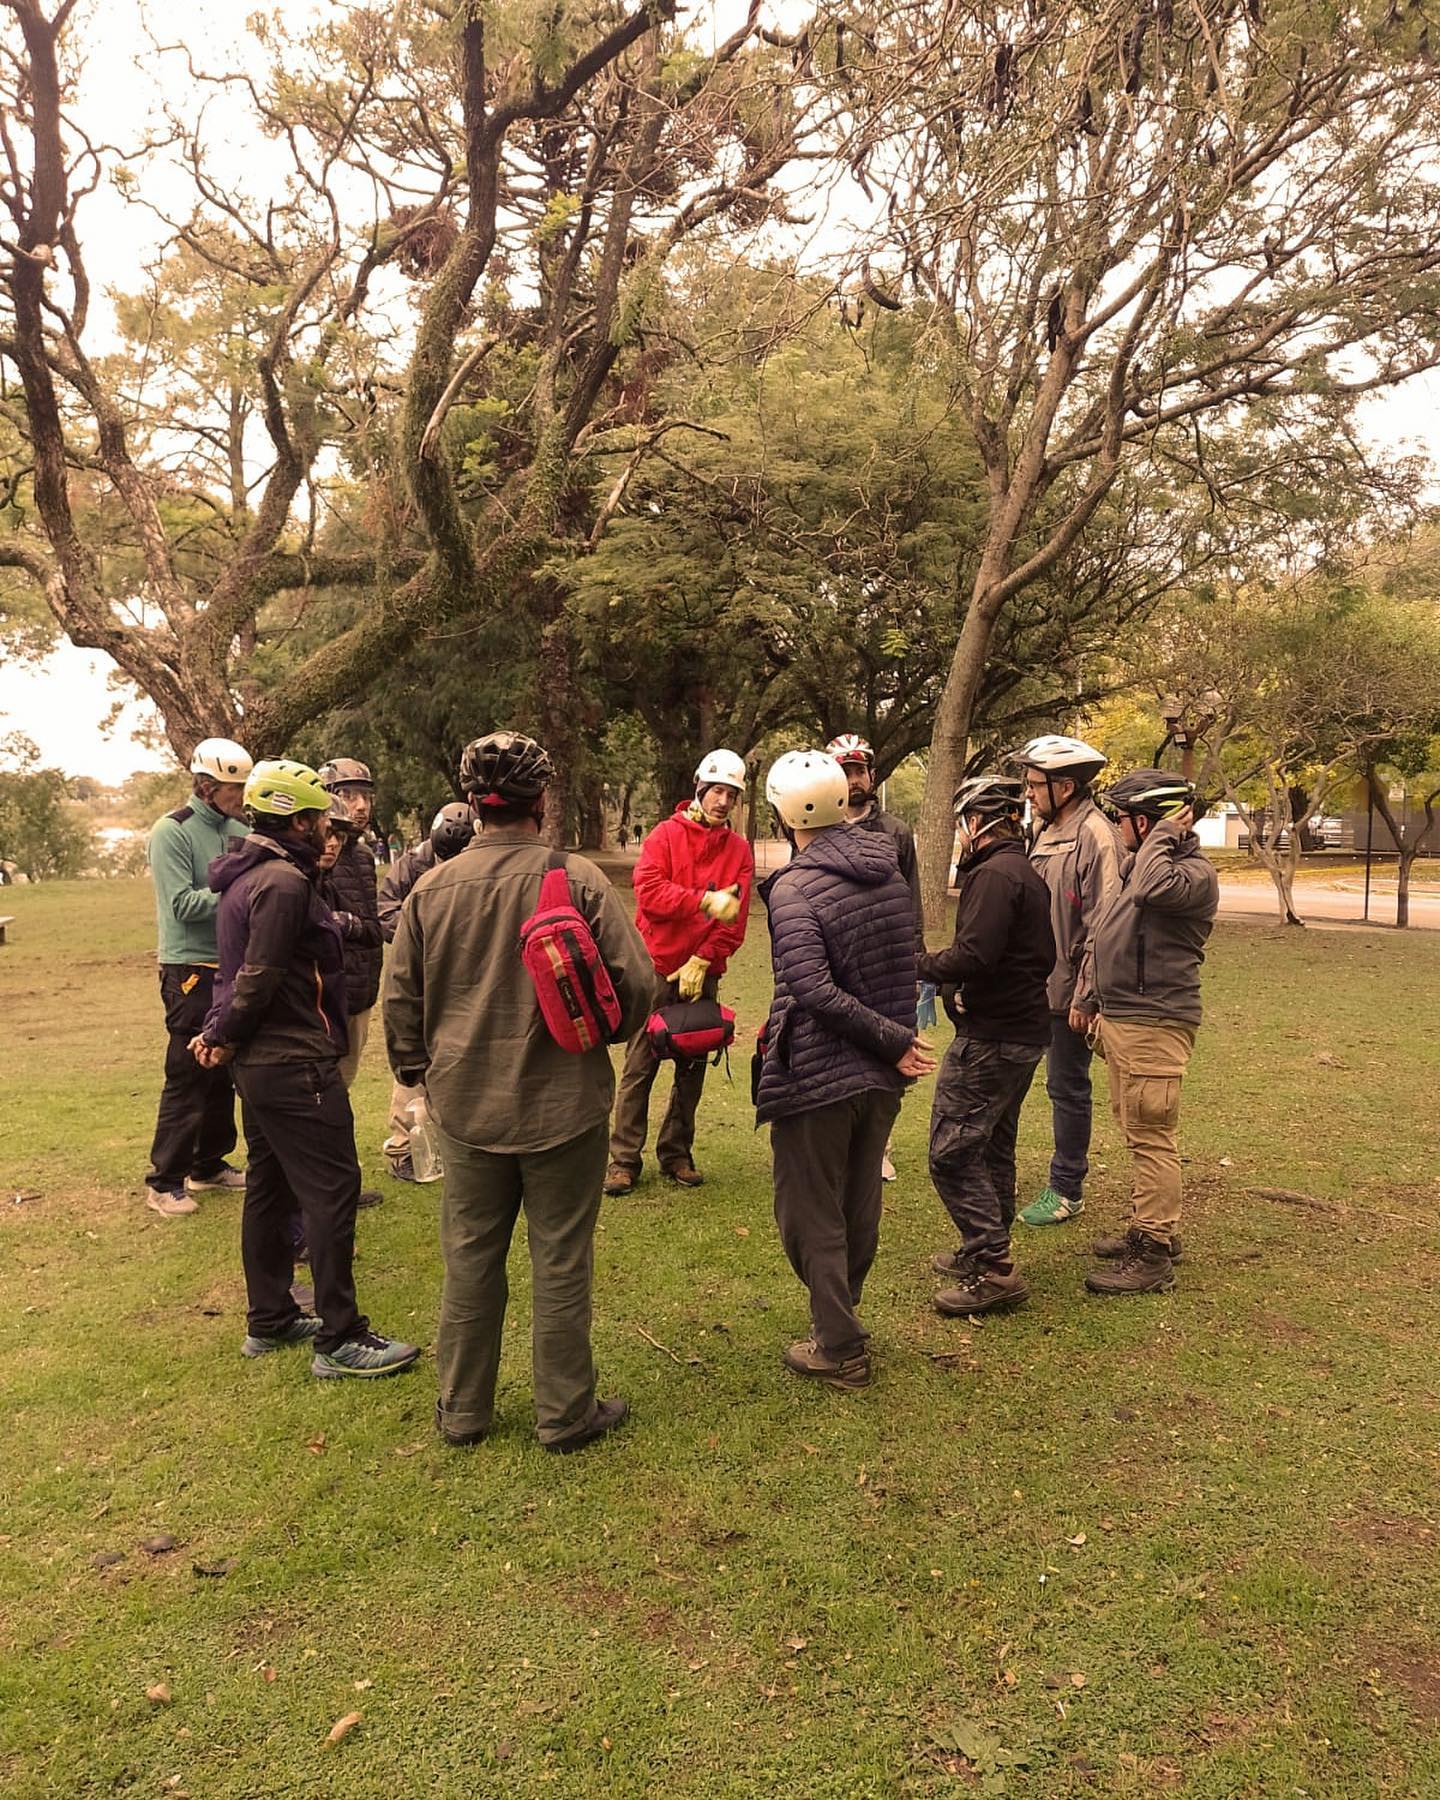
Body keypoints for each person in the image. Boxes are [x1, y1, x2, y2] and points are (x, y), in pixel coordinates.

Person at [385, 731, 652, 1452]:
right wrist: (600, 1032)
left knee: (470, 1259)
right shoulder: (579, 880)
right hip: (566, 1107)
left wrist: (418, 1076)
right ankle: (565, 1416)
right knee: (561, 1260)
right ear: (542, 804)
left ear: (474, 805)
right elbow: (638, 988)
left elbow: (401, 1002)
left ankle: (463, 1412)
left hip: (465, 1109)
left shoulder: (429, 891)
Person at [192, 759, 419, 1378]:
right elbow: (258, 977)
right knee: (333, 1190)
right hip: (294, 1063)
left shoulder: (250, 877)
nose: (330, 826)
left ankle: (271, 1318)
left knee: (270, 1187)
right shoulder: (284, 884)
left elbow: (236, 971)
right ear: (297, 819)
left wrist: (222, 1035)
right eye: (322, 815)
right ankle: (341, 1337)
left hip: (264, 1066)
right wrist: (221, 1031)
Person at [756, 750, 934, 1392]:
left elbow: (811, 987)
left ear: (783, 814)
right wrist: (894, 1044)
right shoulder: (889, 873)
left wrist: (888, 1040)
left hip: (822, 1074)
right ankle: (841, 1316)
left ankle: (838, 1343)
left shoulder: (795, 888)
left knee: (808, 1210)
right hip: (882, 1076)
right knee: (858, 1199)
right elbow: (902, 964)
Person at [1075, 771, 1218, 1295]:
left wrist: (1162, 835)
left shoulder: (1192, 873)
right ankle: (1148, 1228)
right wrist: (1089, 997)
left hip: (1156, 1021)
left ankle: (1153, 1251)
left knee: (1152, 1135)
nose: (1115, 825)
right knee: (1137, 1128)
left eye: (1123, 816)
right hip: (1125, 1017)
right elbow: (1107, 930)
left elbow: (1155, 891)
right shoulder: (1143, 864)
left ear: (1149, 821)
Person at [918, 777, 1056, 1317]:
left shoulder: (997, 875)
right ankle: (987, 1248)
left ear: (977, 822)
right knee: (993, 1145)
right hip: (1019, 1035)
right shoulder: (1020, 871)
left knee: (950, 1153)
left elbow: (975, 955)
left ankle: (995, 1269)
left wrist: (922, 965)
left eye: (962, 823)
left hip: (994, 1039)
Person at [602, 750, 754, 1196]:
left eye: (732, 794)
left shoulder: (738, 850)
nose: (723, 802)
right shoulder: (665, 836)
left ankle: (677, 1153)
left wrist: (704, 958)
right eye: (717, 791)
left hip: (702, 973)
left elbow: (737, 919)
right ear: (700, 789)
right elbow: (649, 894)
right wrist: (703, 901)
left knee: (693, 1061)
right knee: (640, 1064)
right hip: (655, 968)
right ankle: (623, 1159)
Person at [1012, 734, 1123, 1231]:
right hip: (1031, 987)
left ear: (1067, 786)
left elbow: (1106, 921)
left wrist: (1087, 994)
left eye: (1036, 784)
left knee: (1067, 1087)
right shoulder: (1043, 829)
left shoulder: (1096, 835)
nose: (1029, 793)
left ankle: (1066, 1187)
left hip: (1067, 994)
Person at [142, 736, 252, 1218]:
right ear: (206, 785)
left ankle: (208, 1164)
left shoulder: (237, 827)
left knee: (222, 1070)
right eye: (232, 788)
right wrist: (240, 896)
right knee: (187, 1072)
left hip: (228, 963)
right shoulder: (172, 831)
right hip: (188, 967)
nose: (240, 795)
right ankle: (165, 1179)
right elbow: (182, 904)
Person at [825, 733, 925, 1181]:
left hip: (887, 959)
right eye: (844, 771)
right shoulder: (817, 826)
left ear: (871, 774)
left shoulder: (896, 832)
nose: (853, 779)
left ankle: (878, 1144)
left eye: (859, 770)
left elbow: (913, 897)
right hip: (837, 958)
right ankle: (841, 1140)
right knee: (840, 1048)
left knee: (892, 1051)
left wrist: (915, 955)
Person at [377, 802, 477, 1180]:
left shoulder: (477, 865)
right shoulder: (411, 864)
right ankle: (404, 1146)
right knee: (413, 1059)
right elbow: (385, 910)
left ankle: (456, 1140)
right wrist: (423, 930)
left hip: (460, 976)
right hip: (418, 973)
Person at [316, 758, 384, 1090]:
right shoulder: (317, 854)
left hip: (363, 992)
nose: (360, 806)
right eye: (349, 795)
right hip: (326, 1000)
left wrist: (355, 926)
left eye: (365, 796)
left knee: (345, 1082)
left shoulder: (362, 856)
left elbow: (373, 929)